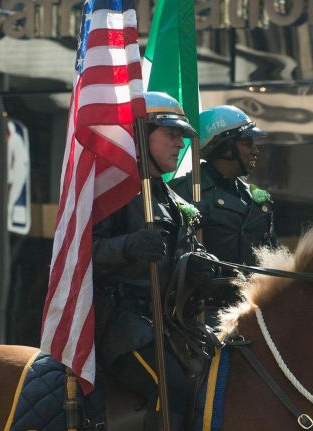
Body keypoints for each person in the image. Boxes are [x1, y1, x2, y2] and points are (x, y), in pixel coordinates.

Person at [93, 92, 215, 431]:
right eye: (171, 135)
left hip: (170, 325)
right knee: (174, 389)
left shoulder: (171, 198)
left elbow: (177, 264)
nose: (180, 144)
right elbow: (76, 257)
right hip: (122, 326)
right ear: (140, 134)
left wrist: (201, 268)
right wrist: (127, 246)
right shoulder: (110, 191)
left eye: (181, 137)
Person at [170, 105, 277, 319]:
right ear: (225, 147)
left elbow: (273, 257)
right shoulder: (182, 192)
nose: (255, 150)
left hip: (256, 314)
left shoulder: (255, 199)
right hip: (202, 317)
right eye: (247, 143)